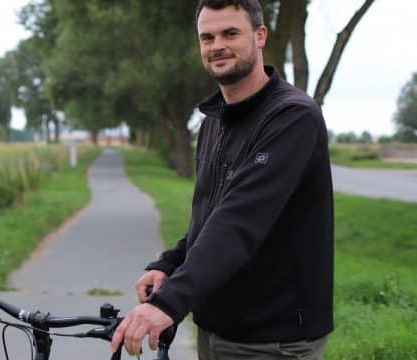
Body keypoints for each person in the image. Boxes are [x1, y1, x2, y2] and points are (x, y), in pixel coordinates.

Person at [111, 1, 334, 359]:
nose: (217, 46)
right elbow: (213, 216)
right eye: (207, 37)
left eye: (230, 33)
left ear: (260, 36)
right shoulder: (214, 120)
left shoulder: (292, 117)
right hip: (216, 328)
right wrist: (169, 264)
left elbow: (239, 222)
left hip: (273, 338)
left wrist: (168, 304)